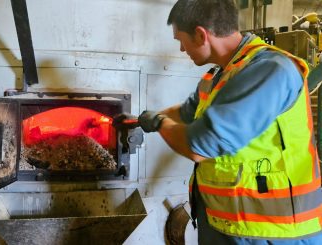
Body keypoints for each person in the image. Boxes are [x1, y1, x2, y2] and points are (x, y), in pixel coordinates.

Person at [114, 0, 322, 244]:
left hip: (273, 232)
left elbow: (200, 146)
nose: (182, 49)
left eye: (180, 40)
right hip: (225, 221)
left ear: (201, 35)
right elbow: (186, 112)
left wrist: (158, 122)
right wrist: (141, 120)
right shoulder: (221, 74)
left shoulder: (270, 70)